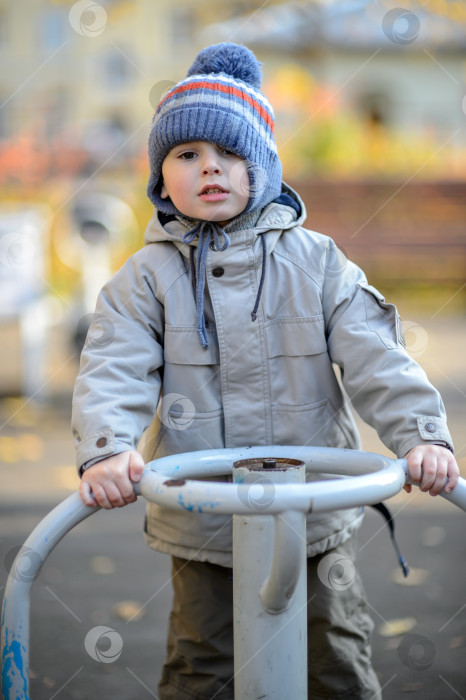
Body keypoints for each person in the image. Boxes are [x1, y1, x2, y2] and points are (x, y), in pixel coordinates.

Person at [72, 42, 459, 699]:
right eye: (186, 155)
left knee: (334, 654)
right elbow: (114, 362)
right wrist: (107, 447)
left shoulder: (317, 262)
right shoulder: (146, 279)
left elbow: (376, 354)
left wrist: (420, 434)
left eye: (229, 154)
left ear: (265, 167)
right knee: (202, 662)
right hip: (204, 515)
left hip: (311, 508)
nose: (209, 168)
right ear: (161, 179)